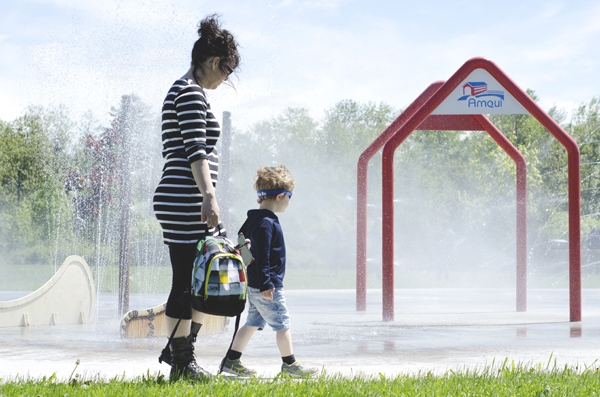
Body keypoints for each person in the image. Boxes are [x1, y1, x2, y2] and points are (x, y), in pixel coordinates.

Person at [152, 14, 240, 382]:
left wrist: (208, 196)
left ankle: (180, 353)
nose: (227, 79)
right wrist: (208, 195)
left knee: (203, 278)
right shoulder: (188, 93)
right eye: (227, 70)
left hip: (186, 197)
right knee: (187, 281)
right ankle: (181, 363)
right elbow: (195, 150)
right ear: (213, 62)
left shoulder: (188, 91)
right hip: (185, 198)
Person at [219, 165, 318, 378]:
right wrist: (266, 283)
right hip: (266, 285)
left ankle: (231, 360)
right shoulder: (267, 222)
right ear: (281, 195)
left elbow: (242, 243)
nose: (289, 202)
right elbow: (262, 255)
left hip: (254, 284)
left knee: (253, 322)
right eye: (289, 197)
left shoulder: (253, 218)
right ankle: (290, 365)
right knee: (282, 323)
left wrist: (252, 275)